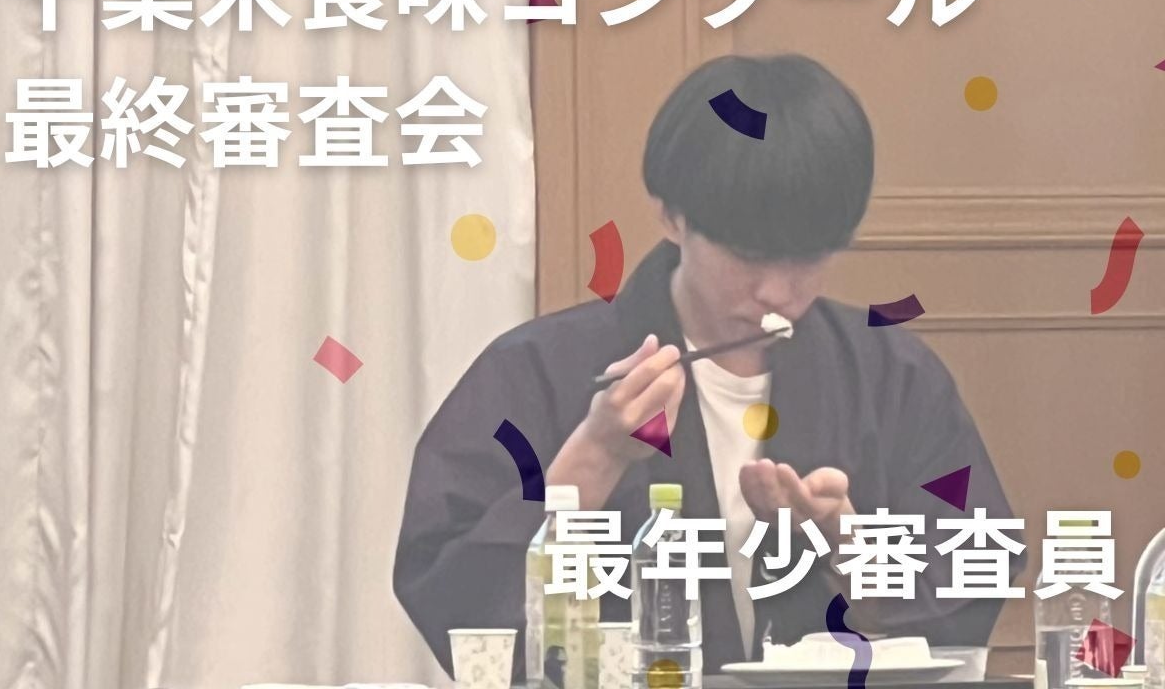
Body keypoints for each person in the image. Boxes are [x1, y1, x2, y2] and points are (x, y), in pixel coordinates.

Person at [393, 53, 1026, 679]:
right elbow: (454, 601)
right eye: (748, 256)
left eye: (809, 259)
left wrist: (847, 546)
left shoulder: (891, 375)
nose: (778, 292)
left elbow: (976, 577)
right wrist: (597, 454)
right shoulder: (538, 368)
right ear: (672, 216)